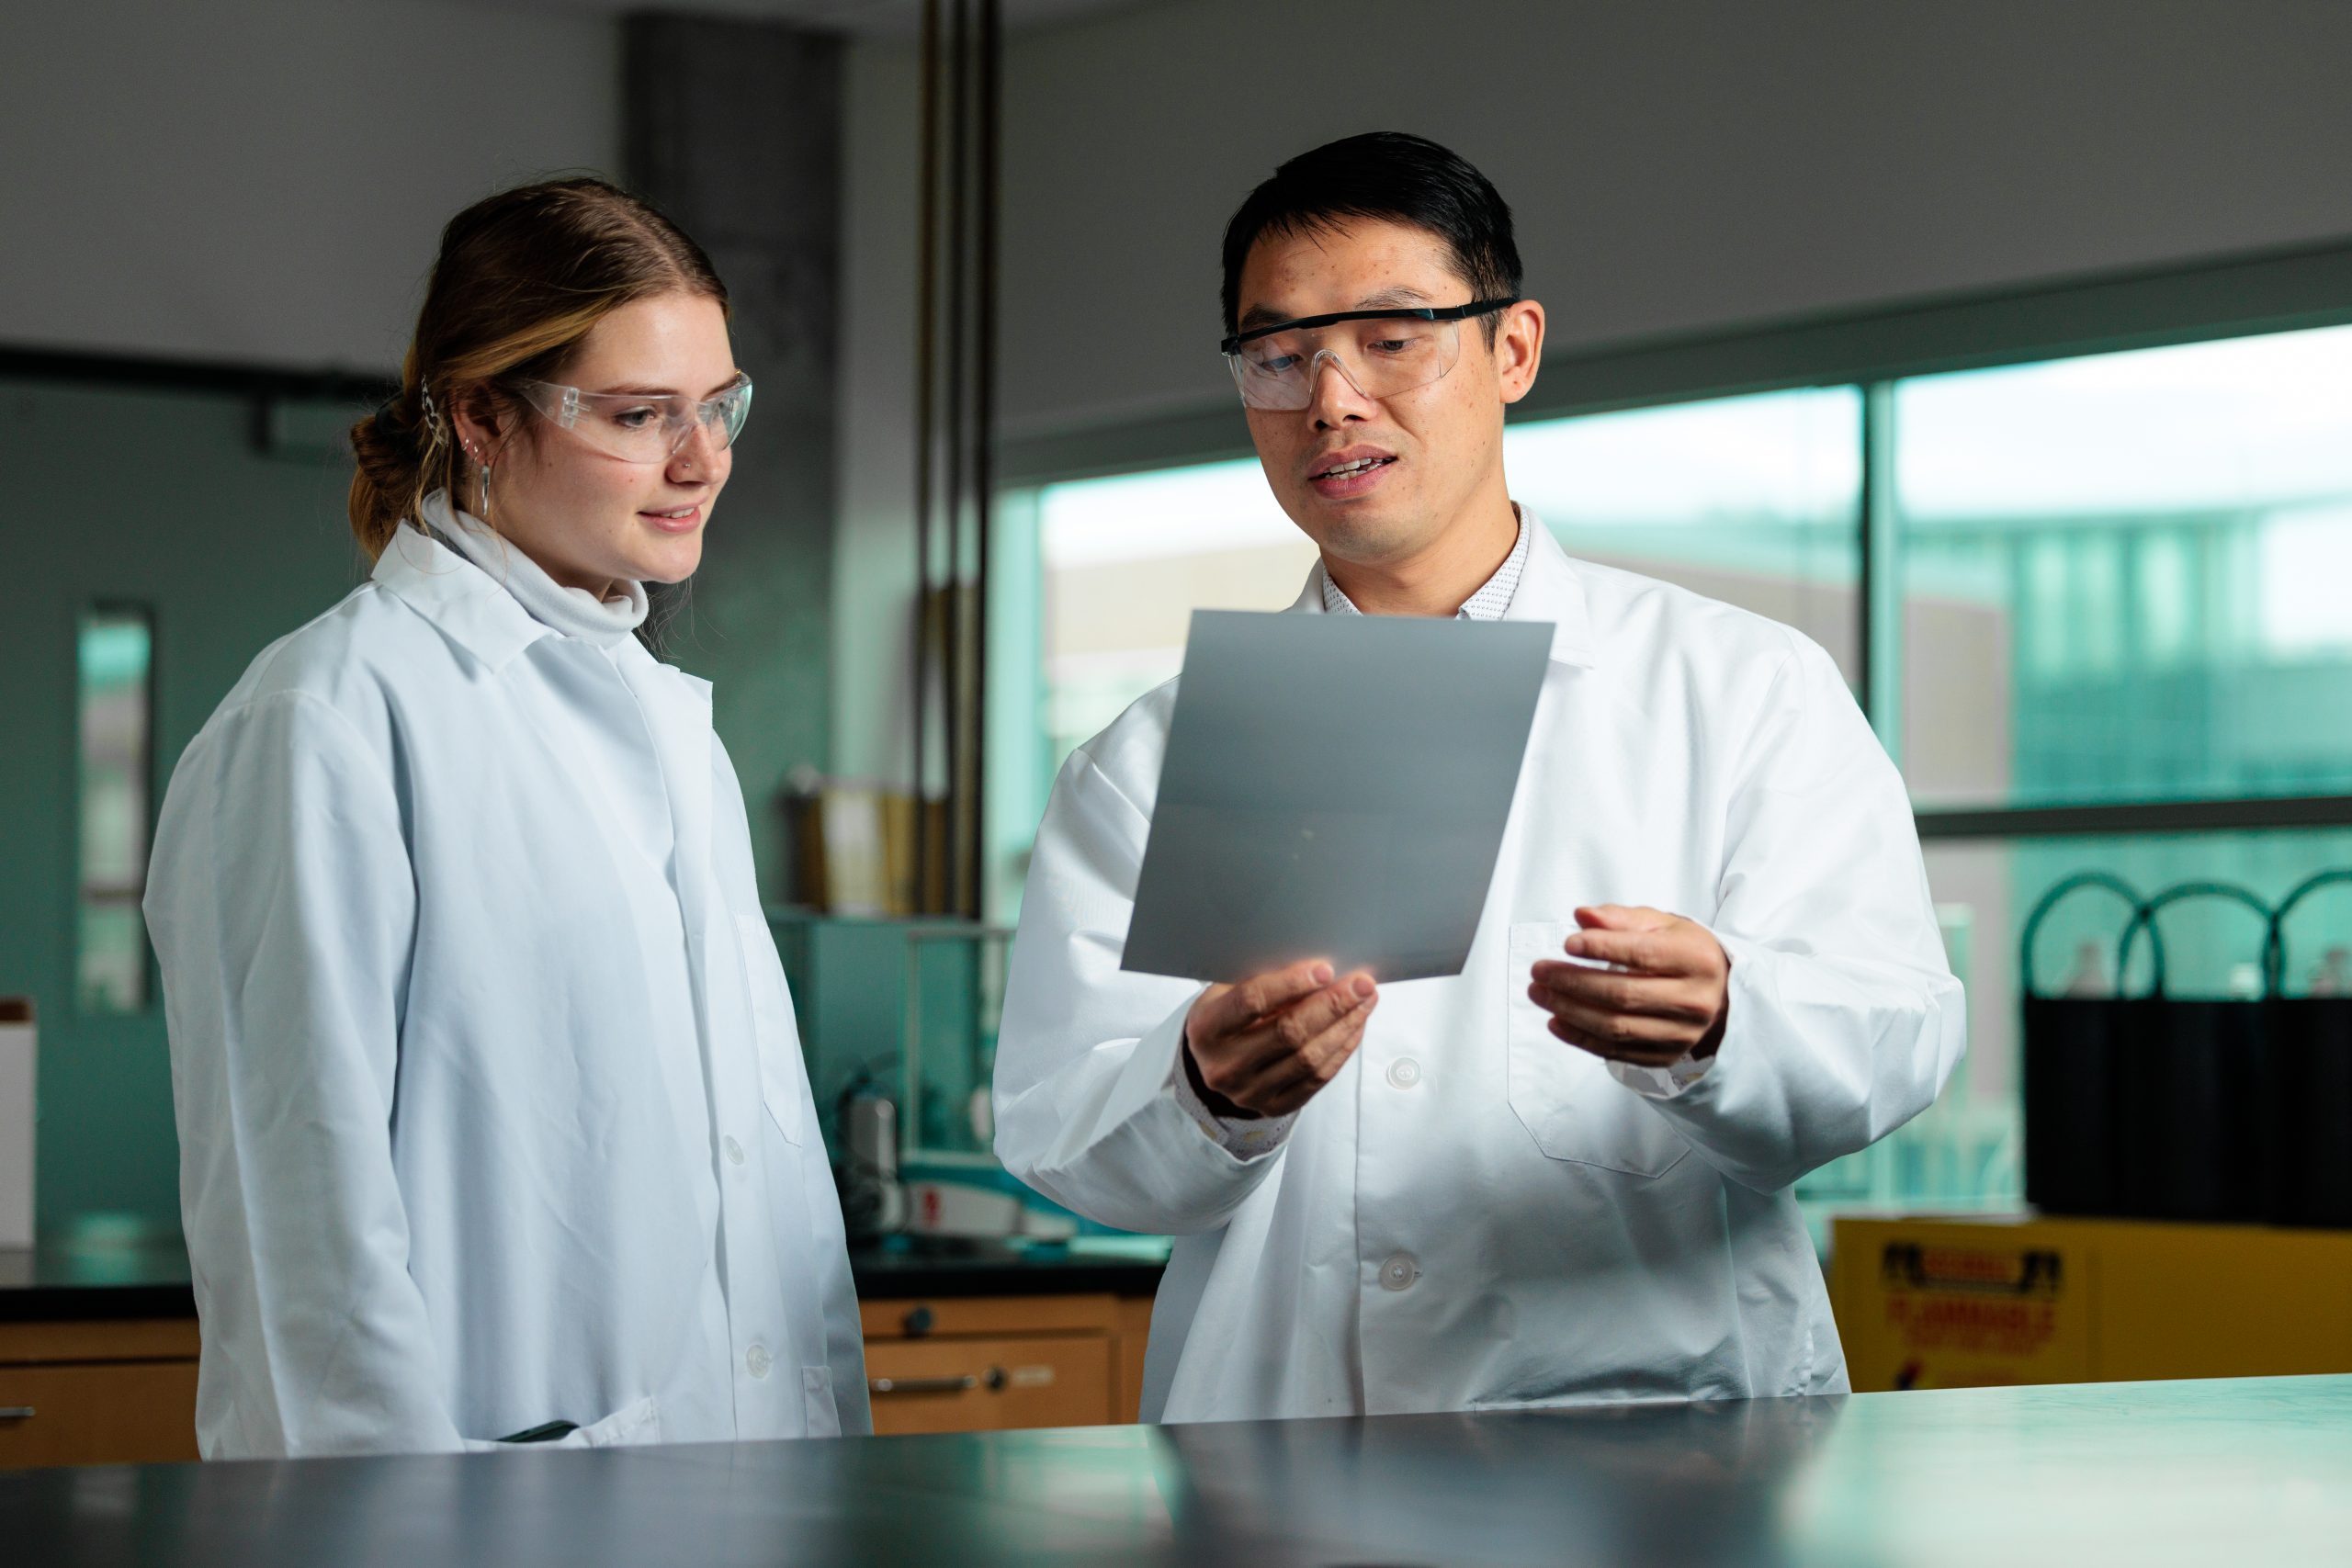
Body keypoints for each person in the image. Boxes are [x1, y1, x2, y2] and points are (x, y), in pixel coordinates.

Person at [992, 133, 1964, 1421]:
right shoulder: (1144, 763)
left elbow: (1897, 1036)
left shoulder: (1740, 689)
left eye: (1393, 337)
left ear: (1512, 349)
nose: (1331, 400)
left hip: (1664, 1458)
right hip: (1288, 1460)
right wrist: (1205, 1089)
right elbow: (1059, 1132)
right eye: (1278, 354)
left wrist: (1731, 1021)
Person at [145, 177, 867, 1457]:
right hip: (479, 1519)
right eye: (642, 416)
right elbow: (305, 1246)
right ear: (482, 416)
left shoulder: (666, 730)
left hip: (737, 1492)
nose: (701, 461)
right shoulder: (328, 722)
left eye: (719, 408)